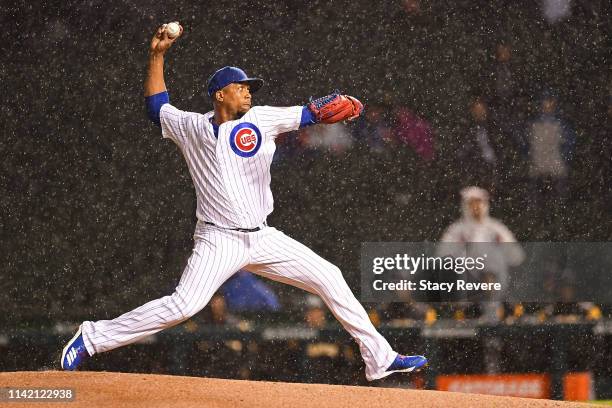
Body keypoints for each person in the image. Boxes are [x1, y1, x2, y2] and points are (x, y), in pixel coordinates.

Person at [60, 23, 426, 381]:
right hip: (218, 240)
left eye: (250, 88)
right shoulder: (191, 127)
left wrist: (328, 108)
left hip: (263, 237)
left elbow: (308, 113)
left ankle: (380, 358)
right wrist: (157, 55)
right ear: (220, 94)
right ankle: (92, 337)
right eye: (241, 87)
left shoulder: (262, 119)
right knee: (184, 305)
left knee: (329, 276)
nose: (249, 93)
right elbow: (157, 108)